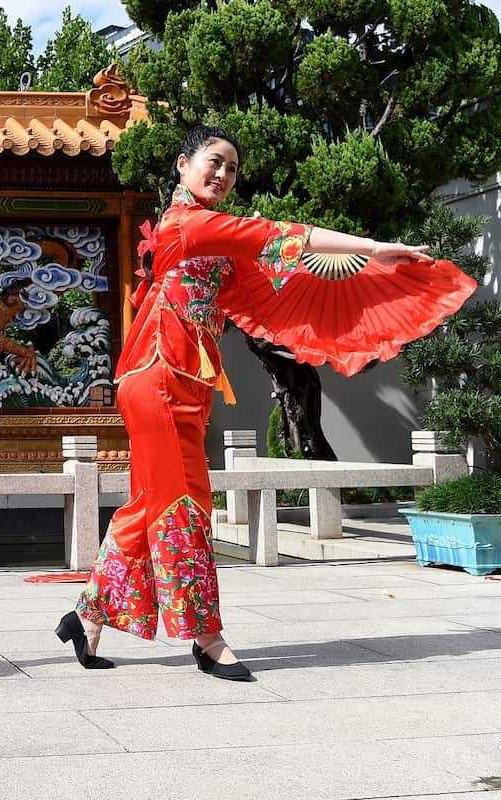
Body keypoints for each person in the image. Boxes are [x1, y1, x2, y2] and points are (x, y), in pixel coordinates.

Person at [55, 125, 475, 680]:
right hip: (160, 376)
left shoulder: (206, 236)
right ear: (183, 165)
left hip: (183, 378)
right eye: (214, 161)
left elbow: (274, 269)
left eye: (231, 168)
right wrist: (370, 246)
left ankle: (86, 617)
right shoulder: (187, 223)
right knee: (184, 502)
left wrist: (363, 276)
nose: (223, 175)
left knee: (150, 502)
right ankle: (207, 636)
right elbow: (278, 234)